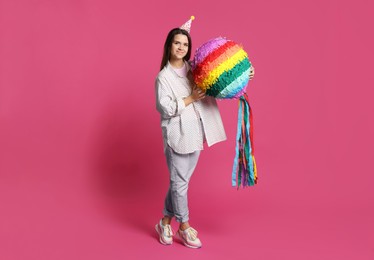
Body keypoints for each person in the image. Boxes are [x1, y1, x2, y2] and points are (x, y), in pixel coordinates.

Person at [154, 18, 254, 249]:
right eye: (177, 43)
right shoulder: (163, 78)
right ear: (169, 45)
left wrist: (241, 75)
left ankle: (164, 222)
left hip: (196, 133)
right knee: (180, 183)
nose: (181, 48)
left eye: (185, 44)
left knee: (180, 182)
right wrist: (189, 99)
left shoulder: (196, 69)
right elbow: (165, 108)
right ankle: (185, 226)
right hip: (177, 135)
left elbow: (218, 82)